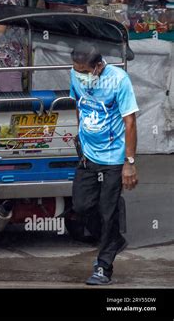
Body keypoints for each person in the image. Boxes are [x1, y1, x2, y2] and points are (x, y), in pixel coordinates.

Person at [70, 42, 139, 285]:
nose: (80, 75)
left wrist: (129, 162)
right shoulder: (75, 74)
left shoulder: (119, 80)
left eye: (85, 71)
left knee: (108, 212)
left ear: (98, 66)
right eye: (77, 70)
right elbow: (79, 104)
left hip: (113, 159)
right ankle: (114, 240)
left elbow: (130, 122)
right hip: (88, 156)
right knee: (81, 206)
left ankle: (103, 267)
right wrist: (80, 137)